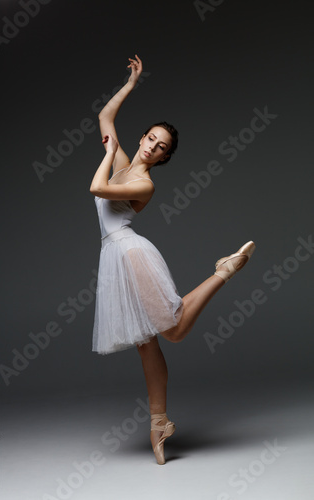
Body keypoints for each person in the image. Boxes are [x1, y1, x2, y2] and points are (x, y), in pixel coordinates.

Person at [90, 54, 256, 465]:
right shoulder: (128, 165)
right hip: (115, 256)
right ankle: (159, 422)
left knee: (174, 330)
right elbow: (105, 117)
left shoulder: (142, 182)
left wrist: (110, 154)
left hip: (130, 253)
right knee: (147, 345)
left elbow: (96, 187)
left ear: (164, 158)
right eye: (150, 138)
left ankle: (224, 270)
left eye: (161, 147)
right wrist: (130, 86)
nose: (152, 146)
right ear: (144, 136)